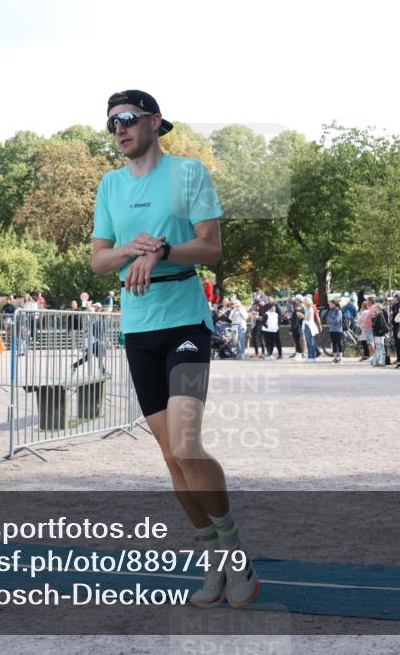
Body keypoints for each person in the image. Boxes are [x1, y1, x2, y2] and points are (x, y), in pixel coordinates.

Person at [90, 89, 258, 608]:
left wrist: (162, 249)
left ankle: (234, 553)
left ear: (155, 122)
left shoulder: (188, 174)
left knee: (187, 446)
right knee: (170, 458)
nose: (119, 128)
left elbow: (210, 247)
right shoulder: (110, 185)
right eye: (112, 121)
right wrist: (130, 250)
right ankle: (211, 556)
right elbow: (98, 261)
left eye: (128, 119)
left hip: (185, 319)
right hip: (138, 331)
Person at [369, 302, 389, 366]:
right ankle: (379, 361)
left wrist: (375, 327)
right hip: (377, 334)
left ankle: (382, 361)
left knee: (381, 348)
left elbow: (380, 325)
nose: (374, 309)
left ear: (378, 308)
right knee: (378, 348)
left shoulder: (380, 315)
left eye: (375, 307)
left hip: (379, 334)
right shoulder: (377, 315)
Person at [325, 298, 344, 363]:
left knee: (339, 344)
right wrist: (331, 320)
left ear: (334, 304)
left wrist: (330, 320)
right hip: (332, 329)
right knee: (334, 344)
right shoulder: (330, 311)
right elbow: (327, 319)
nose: (329, 305)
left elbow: (337, 320)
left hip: (338, 330)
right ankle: (335, 358)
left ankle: (340, 358)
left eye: (330, 303)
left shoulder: (338, 311)